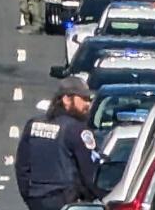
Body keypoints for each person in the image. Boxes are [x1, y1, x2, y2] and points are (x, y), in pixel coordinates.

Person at [15, 77, 106, 209]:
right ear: (67, 99)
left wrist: (29, 197)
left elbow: (22, 168)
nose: (88, 105)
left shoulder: (33, 125)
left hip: (37, 200)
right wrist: (101, 198)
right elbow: (90, 173)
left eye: (89, 100)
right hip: (66, 201)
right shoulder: (77, 130)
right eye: (84, 99)